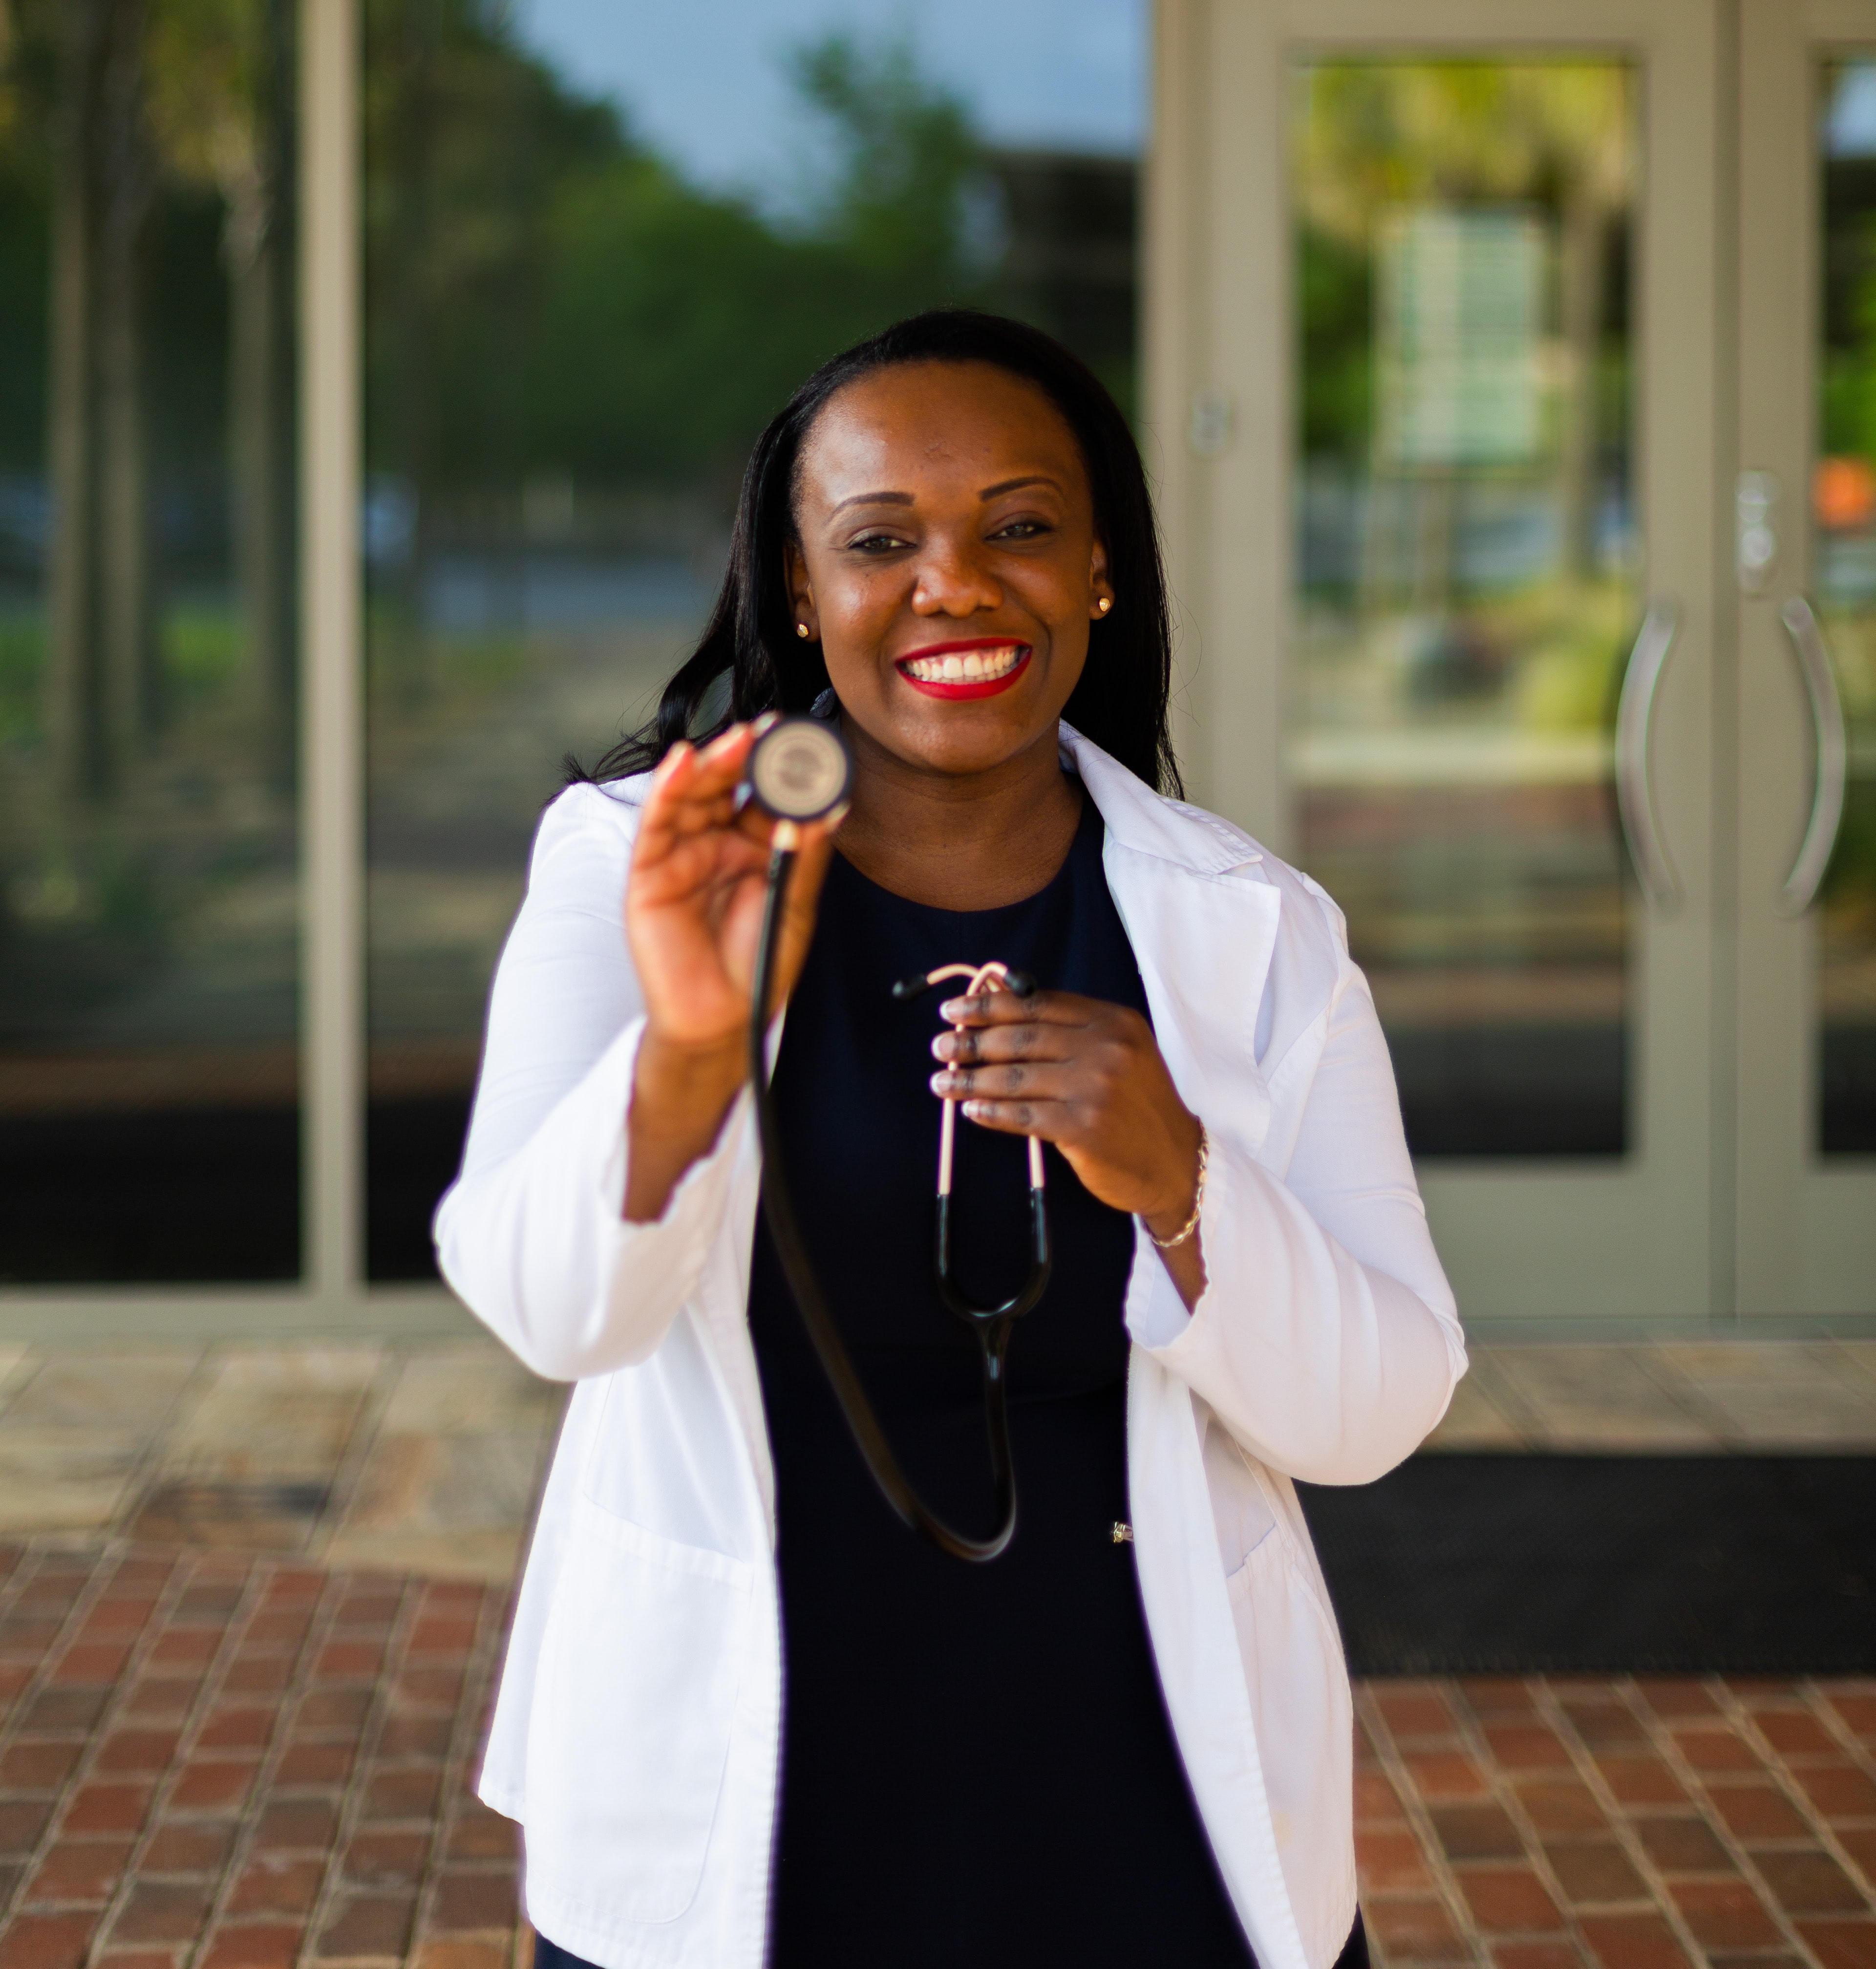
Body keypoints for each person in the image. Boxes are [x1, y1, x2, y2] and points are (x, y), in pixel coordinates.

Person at [435, 309, 1464, 1969]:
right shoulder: (631, 863)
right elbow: (555, 1312)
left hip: (1153, 1796)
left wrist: (1182, 1183)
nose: (957, 585)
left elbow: (1378, 1408)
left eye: (1023, 527)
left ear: (1104, 571)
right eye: (880, 541)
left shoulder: (1253, 929)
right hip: (743, 1798)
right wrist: (696, 1046)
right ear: (797, 588)